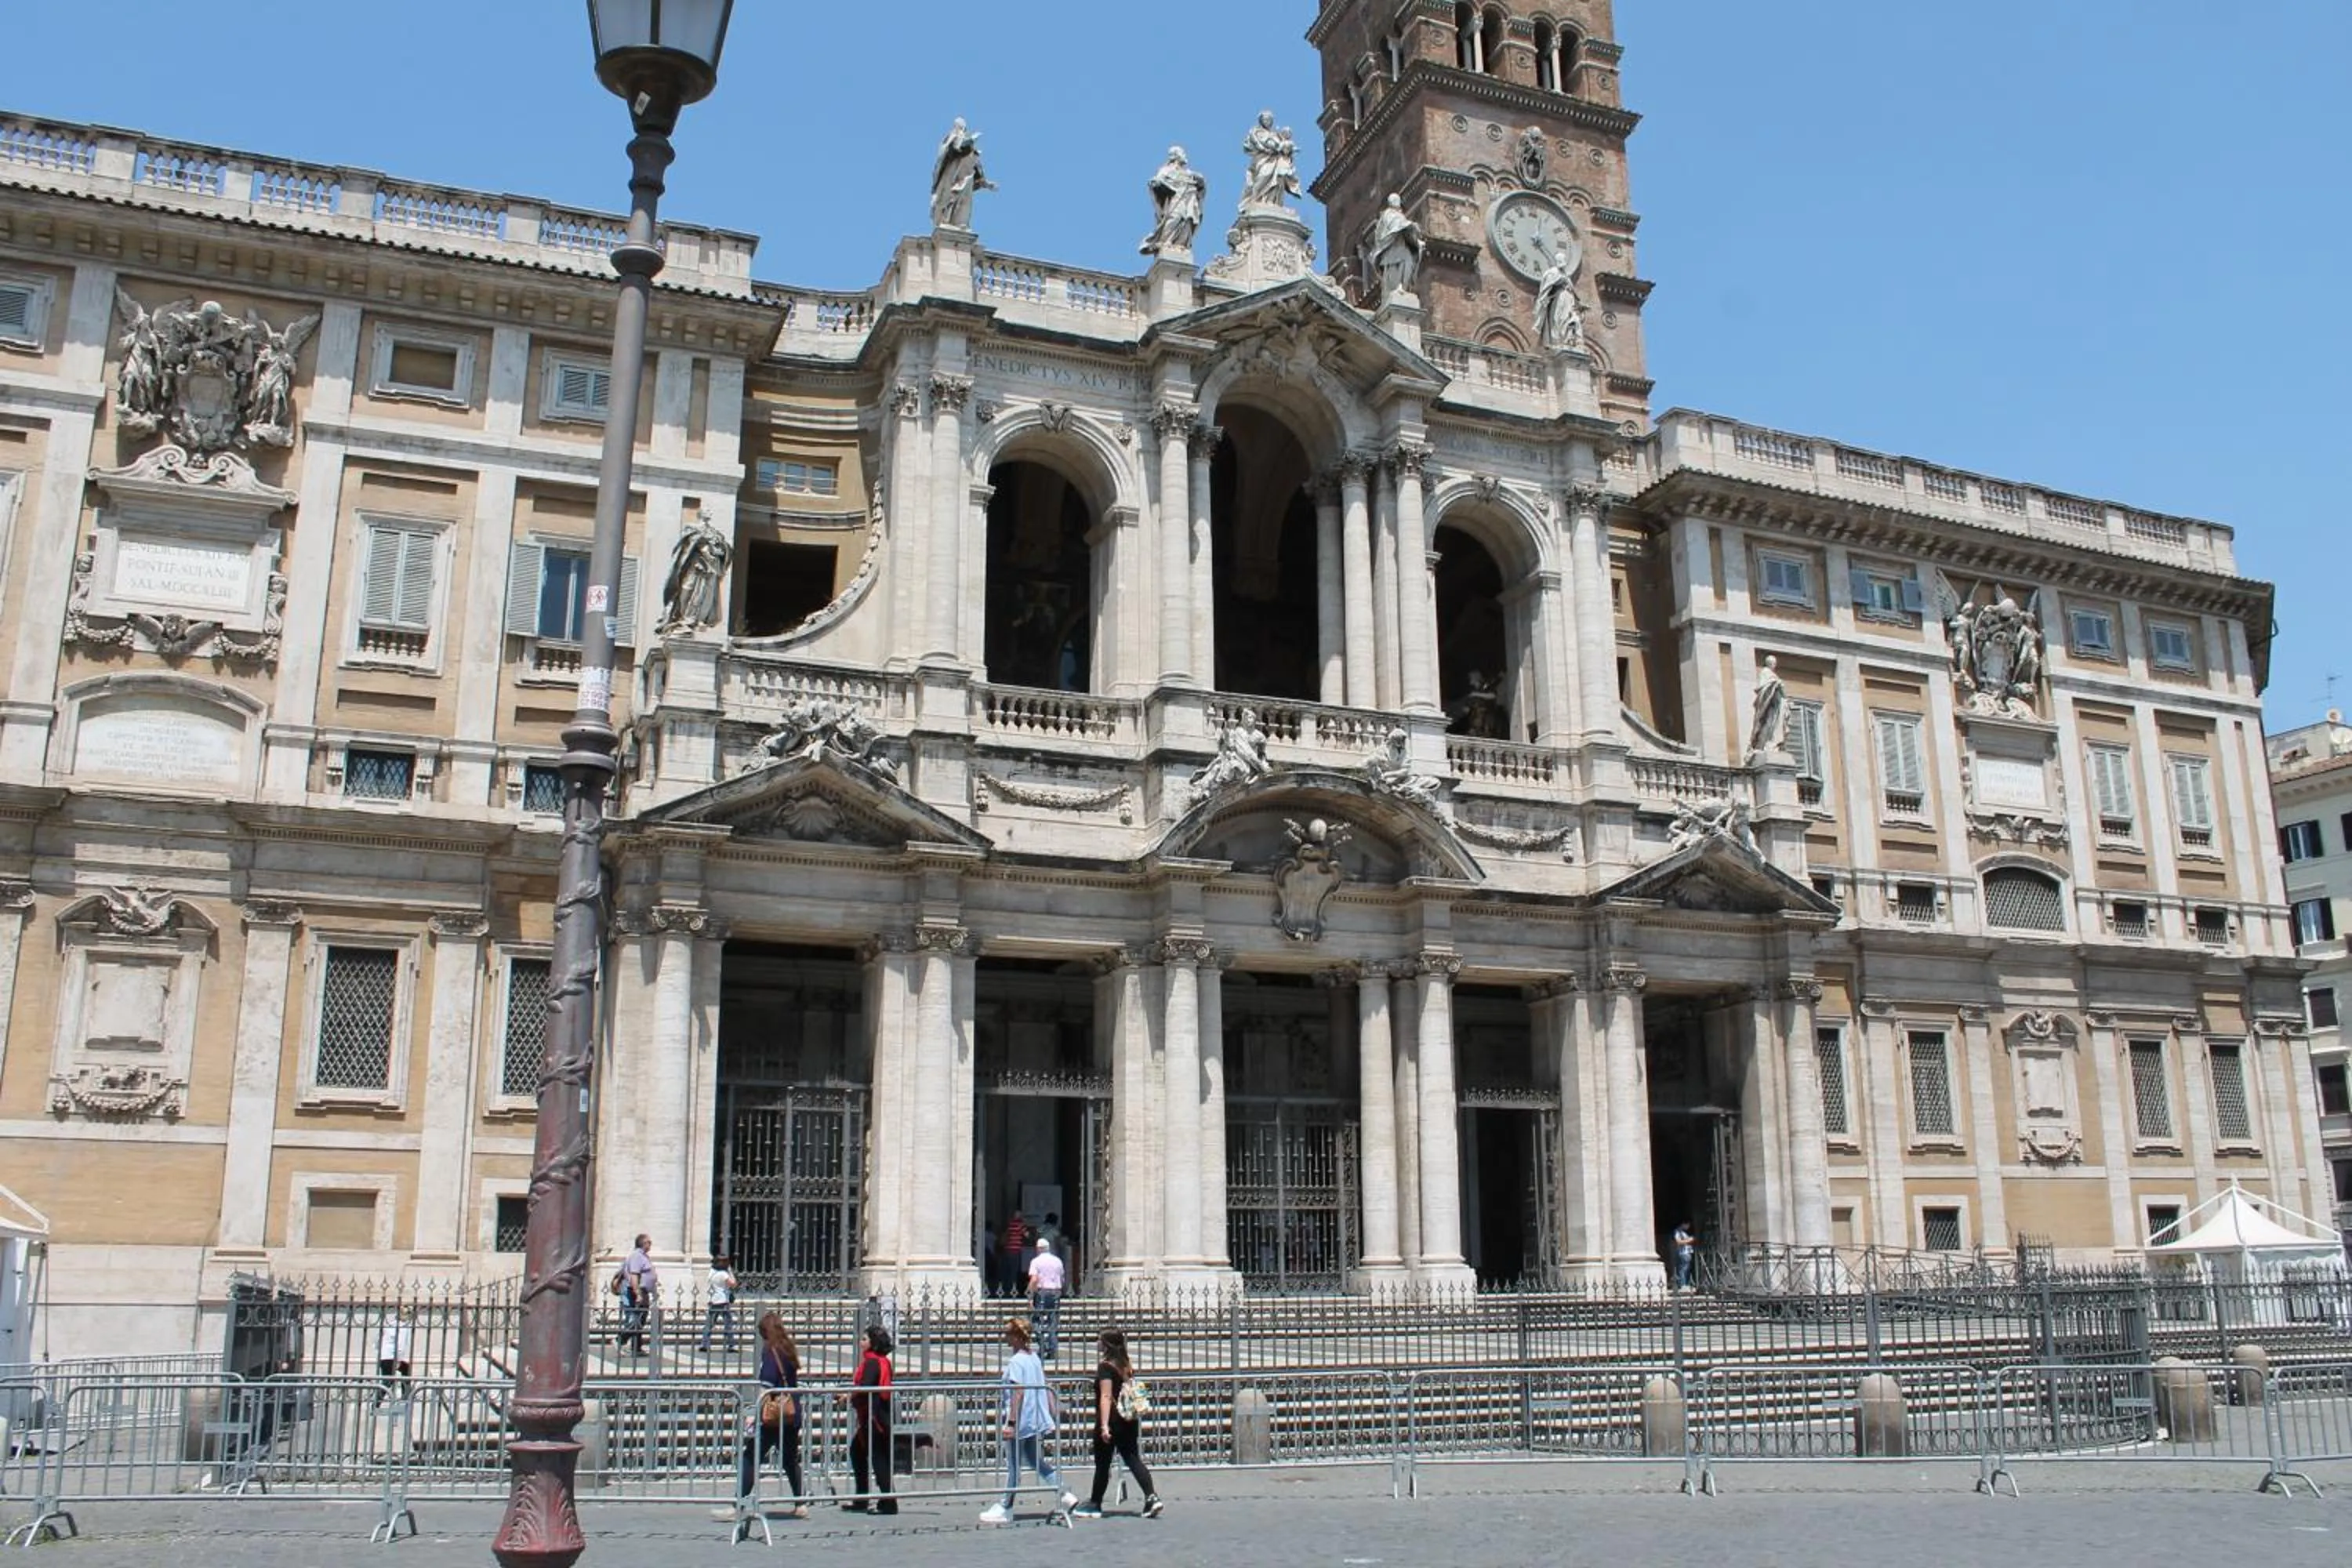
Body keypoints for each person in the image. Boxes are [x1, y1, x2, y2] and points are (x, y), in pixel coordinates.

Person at [980, 1318, 1073, 1526]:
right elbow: (1044, 1384)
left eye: (1007, 1334)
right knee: (1034, 1460)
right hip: (1034, 1419)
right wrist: (1051, 1409)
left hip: (1021, 1420)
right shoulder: (1034, 1358)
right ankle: (1064, 1493)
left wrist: (1011, 1422)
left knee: (1013, 1465)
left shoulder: (1016, 1362)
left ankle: (1006, 1506)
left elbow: (1018, 1392)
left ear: (1015, 1337)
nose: (1004, 1337)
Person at [726, 1312, 809, 1521]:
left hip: (773, 1416)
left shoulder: (771, 1352)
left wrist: (754, 1413)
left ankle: (739, 1503)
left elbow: (767, 1385)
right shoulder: (787, 1349)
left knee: (751, 1456)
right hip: (792, 1413)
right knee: (790, 1459)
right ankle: (801, 1503)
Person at [1072, 1329, 1162, 1519]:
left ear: (1107, 1345)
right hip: (1128, 1419)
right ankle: (1152, 1497)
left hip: (1112, 1420)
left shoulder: (1105, 1366)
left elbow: (1106, 1396)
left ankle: (1095, 1503)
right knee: (1132, 1458)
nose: (1097, 1343)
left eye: (1100, 1340)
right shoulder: (1125, 1366)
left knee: (1103, 1463)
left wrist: (1104, 1425)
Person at [844, 1323, 897, 1515]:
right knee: (858, 1453)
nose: (861, 1342)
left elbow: (865, 1386)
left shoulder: (873, 1362)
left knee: (878, 1458)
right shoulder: (881, 1361)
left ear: (873, 1343)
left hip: (874, 1418)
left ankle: (889, 1502)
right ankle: (862, 1498)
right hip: (876, 1415)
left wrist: (849, 1396)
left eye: (865, 1339)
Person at [1027, 1236, 1066, 1360]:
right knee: (1053, 1321)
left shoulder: (1036, 1261)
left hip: (1042, 1292)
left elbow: (1034, 1279)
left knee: (1036, 1319)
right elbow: (1063, 1278)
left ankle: (1043, 1345)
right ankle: (1053, 1348)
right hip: (1055, 1291)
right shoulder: (1057, 1261)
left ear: (1038, 1249)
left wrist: (1030, 1296)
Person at [619, 1233, 659, 1356]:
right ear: (643, 1243)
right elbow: (634, 1275)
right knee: (638, 1319)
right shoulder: (637, 1256)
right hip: (639, 1290)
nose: (650, 1244)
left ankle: (636, 1347)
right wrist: (637, 1293)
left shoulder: (643, 1256)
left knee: (641, 1318)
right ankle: (620, 1340)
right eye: (649, 1242)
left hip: (644, 1291)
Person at [700, 1253, 739, 1353]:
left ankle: (705, 1343)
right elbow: (733, 1284)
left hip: (713, 1300)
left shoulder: (712, 1272)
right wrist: (730, 1272)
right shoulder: (723, 1274)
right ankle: (731, 1345)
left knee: (709, 1323)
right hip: (722, 1301)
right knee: (728, 1323)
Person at [375, 1308, 413, 1404]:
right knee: (390, 1379)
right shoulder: (403, 1326)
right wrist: (399, 1360)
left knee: (389, 1378)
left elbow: (377, 1340)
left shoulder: (390, 1324)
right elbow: (400, 1345)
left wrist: (380, 1351)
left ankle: (377, 1401)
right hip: (392, 1357)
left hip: (384, 1356)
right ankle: (405, 1397)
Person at [1671, 1221, 1697, 1291]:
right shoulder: (1678, 1232)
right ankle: (1683, 1285)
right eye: (1687, 1225)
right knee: (1683, 1269)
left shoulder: (1684, 1233)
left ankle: (1686, 1283)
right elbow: (1679, 1242)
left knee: (1686, 1269)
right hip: (1683, 1253)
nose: (1688, 1227)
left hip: (1688, 1252)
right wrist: (1689, 1240)